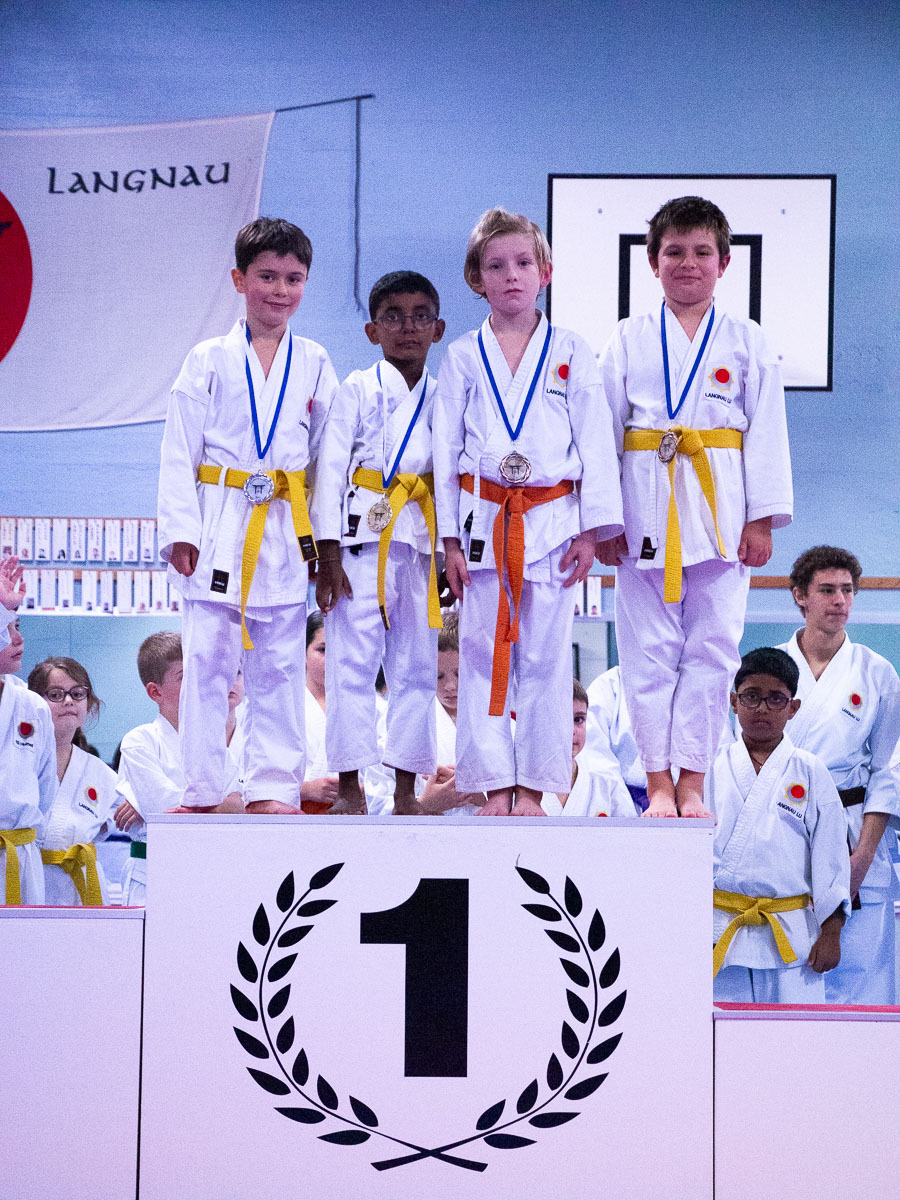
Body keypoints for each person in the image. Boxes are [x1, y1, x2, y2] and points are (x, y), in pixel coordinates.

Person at [597, 196, 792, 818]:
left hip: (721, 513)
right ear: (652, 261)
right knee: (647, 655)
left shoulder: (747, 340)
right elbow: (603, 433)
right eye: (674, 251)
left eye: (701, 252)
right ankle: (657, 780)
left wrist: (761, 518)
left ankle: (693, 780)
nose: (688, 263)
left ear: (724, 262)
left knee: (714, 651)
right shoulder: (626, 338)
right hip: (642, 512)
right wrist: (604, 519)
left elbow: (768, 431)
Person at [433, 208, 623, 816]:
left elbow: (595, 443)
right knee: (482, 654)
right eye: (496, 265)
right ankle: (492, 785)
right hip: (483, 519)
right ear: (477, 278)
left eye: (522, 263)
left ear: (545, 272)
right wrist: (448, 541)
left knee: (546, 657)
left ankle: (536, 788)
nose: (511, 275)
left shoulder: (572, 350)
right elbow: (444, 451)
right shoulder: (462, 356)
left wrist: (592, 532)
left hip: (553, 521)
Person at [157, 217, 338, 815]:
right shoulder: (206, 359)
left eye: (293, 278)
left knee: (281, 666)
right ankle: (204, 789)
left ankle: (274, 788)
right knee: (206, 662)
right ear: (239, 279)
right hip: (219, 524)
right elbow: (179, 449)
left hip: (286, 526)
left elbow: (329, 458)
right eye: (267, 276)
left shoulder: (315, 361)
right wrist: (180, 532)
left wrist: (326, 545)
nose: (280, 290)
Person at [312, 271, 446, 815]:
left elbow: (453, 477)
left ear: (438, 328)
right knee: (351, 665)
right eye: (393, 316)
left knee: (417, 667)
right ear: (372, 330)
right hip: (360, 543)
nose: (407, 326)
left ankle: (406, 789)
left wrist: (448, 552)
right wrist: (326, 554)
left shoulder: (445, 395)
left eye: (420, 316)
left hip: (420, 542)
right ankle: (350, 787)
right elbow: (329, 470)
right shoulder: (356, 389)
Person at [778, 546, 900, 1004]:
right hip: (786, 824)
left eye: (847, 590)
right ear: (800, 596)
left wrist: (862, 858)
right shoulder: (771, 665)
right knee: (791, 970)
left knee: (861, 974)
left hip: (854, 827)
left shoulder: (876, 672)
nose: (840, 601)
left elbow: (887, 771)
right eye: (827, 590)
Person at [710, 648, 850, 1003]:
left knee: (796, 1034)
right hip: (718, 931)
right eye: (751, 696)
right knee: (723, 1032)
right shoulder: (710, 767)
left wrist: (832, 931)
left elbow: (831, 855)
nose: (762, 708)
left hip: (792, 935)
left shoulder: (810, 770)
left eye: (776, 699)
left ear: (793, 707)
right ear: (733, 702)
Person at [114, 633, 242, 905]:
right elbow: (165, 811)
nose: (198, 683)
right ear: (155, 692)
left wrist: (198, 808)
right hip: (152, 872)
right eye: (185, 676)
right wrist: (218, 807)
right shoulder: (139, 741)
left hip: (211, 869)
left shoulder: (213, 743)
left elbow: (238, 807)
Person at [28, 657, 116, 905]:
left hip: (80, 889)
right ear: (34, 703)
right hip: (26, 879)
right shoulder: (15, 763)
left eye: (77, 694)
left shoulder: (103, 775)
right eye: (55, 695)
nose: (68, 701)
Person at [0, 595, 55, 905]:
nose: (18, 639)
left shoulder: (32, 706)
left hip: (20, 853)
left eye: (17, 626)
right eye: (5, 629)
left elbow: (46, 785)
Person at [541, 678, 640, 817]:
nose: (572, 730)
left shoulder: (607, 783)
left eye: (578, 720)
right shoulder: (523, 788)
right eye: (561, 720)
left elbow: (630, 829)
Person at [583, 665, 649, 814]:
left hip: (682, 803)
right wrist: (624, 809)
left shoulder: (690, 677)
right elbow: (596, 756)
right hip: (620, 802)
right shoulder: (608, 686)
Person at [300, 612, 339, 813]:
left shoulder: (374, 708)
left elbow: (382, 780)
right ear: (303, 652)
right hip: (293, 816)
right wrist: (306, 790)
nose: (332, 659)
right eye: (322, 650)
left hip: (354, 818)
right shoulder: (286, 705)